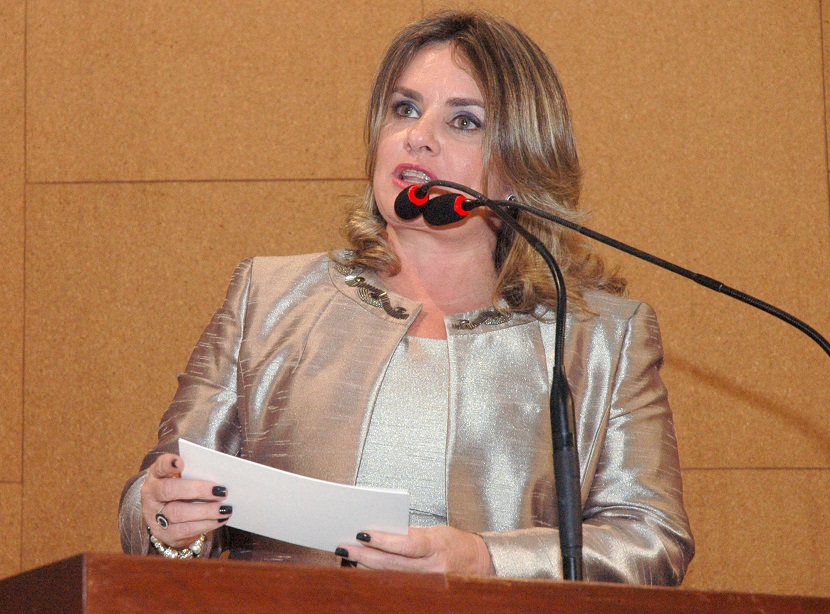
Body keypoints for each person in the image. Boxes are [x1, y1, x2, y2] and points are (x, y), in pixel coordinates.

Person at [119, 10, 694, 583]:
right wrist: (165, 517)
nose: (418, 136)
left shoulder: (602, 339)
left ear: (521, 167)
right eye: (405, 109)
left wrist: (485, 560)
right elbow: (155, 497)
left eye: (464, 121)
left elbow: (652, 542)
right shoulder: (268, 298)